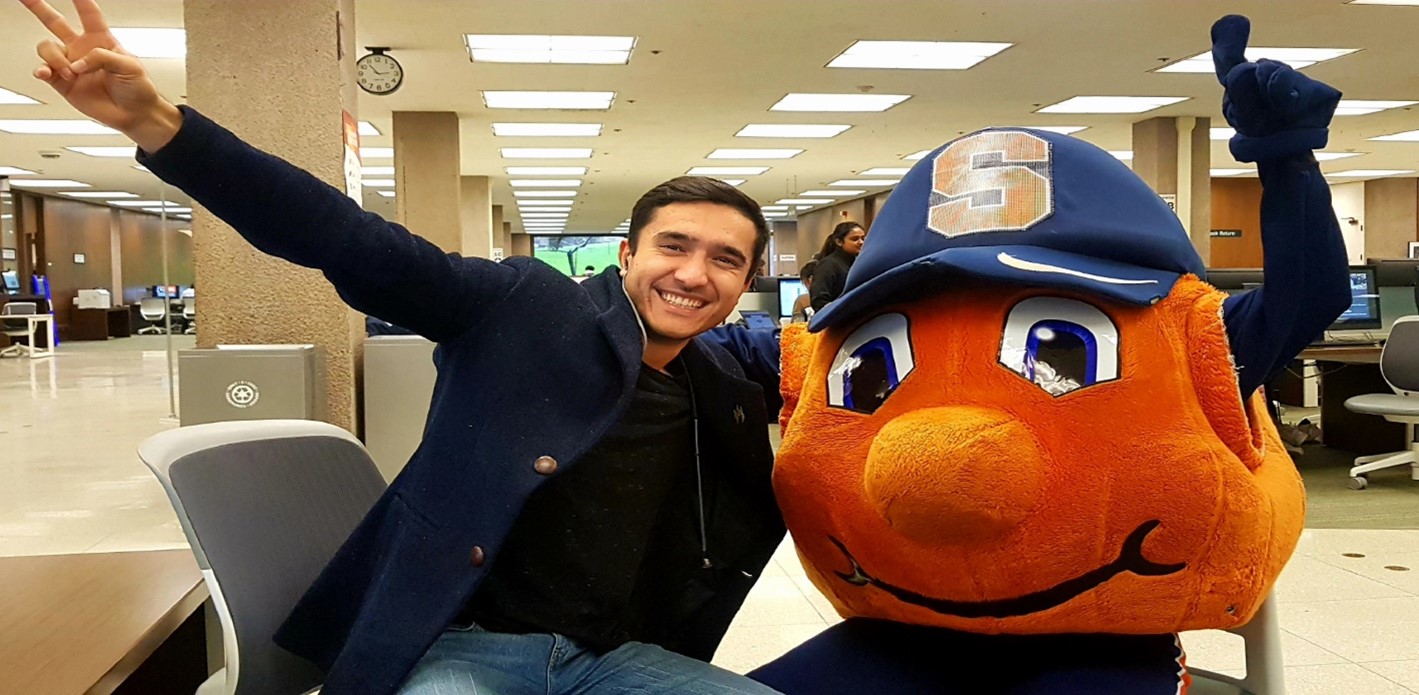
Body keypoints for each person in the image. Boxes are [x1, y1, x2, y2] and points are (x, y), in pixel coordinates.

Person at [19, 2, 786, 694]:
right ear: (626, 255)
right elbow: (348, 238)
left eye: (724, 259)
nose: (692, 274)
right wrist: (157, 123)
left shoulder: (721, 383)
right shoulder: (524, 305)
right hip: (465, 648)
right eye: (674, 246)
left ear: (749, 277)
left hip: (614, 656)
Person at [809, 221, 865, 312]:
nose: (861, 242)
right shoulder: (829, 265)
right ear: (839, 242)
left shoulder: (858, 263)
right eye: (855, 239)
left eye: (863, 238)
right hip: (838, 321)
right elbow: (819, 300)